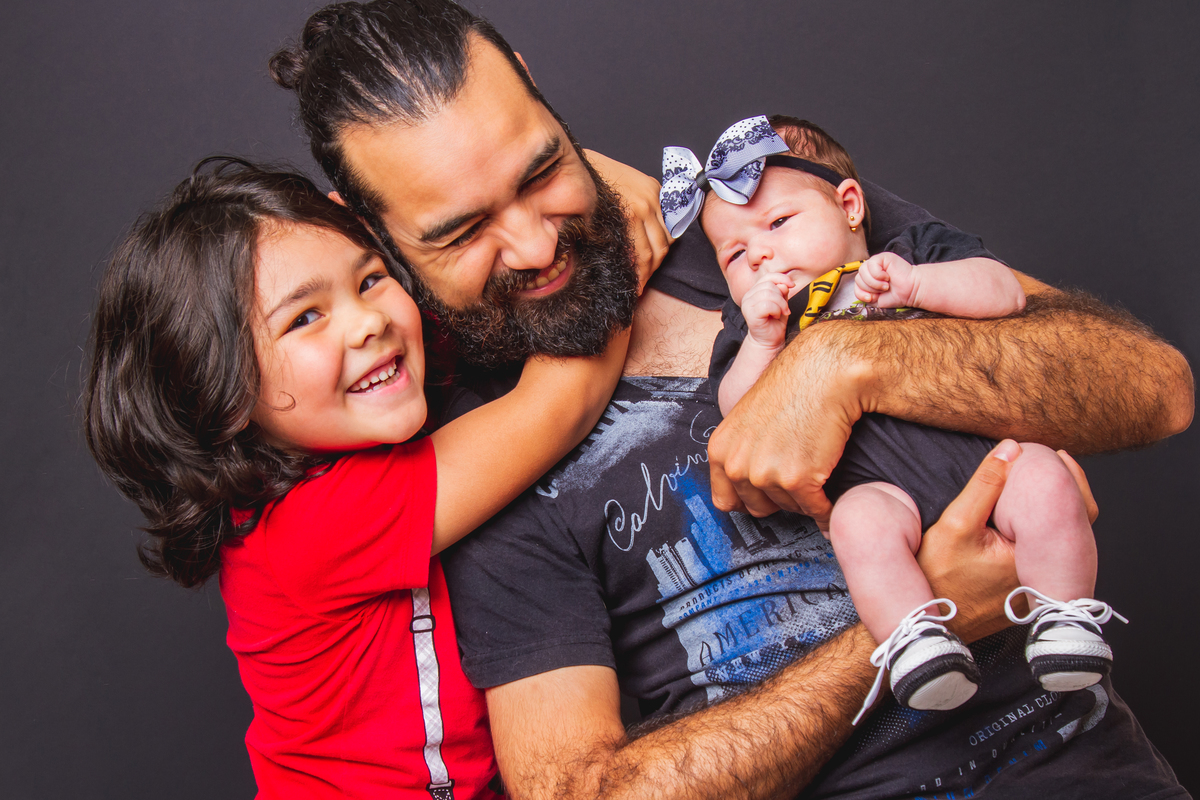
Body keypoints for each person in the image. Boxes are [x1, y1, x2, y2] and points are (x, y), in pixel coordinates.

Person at [271, 1, 1194, 797]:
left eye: (542, 172)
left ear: (532, 85)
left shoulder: (755, 216)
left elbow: (1151, 387)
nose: (536, 246)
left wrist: (842, 364)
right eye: (462, 230)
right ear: (366, 226)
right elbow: (578, 789)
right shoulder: (470, 460)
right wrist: (914, 624)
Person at [83, 158, 635, 798]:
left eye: (370, 278)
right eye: (304, 317)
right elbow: (559, 405)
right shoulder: (313, 522)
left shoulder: (382, 384)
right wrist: (617, 247)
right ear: (223, 394)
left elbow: (445, 223)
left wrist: (414, 194)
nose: (368, 320)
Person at [675, 115, 1124, 721]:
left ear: (850, 206)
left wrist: (916, 286)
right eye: (734, 255)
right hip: (883, 489)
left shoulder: (910, 255)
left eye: (778, 223)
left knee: (1046, 478)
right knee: (857, 525)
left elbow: (1006, 293)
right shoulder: (754, 327)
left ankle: (1065, 620)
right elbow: (740, 414)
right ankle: (918, 644)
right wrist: (761, 341)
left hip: (988, 459)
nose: (759, 255)